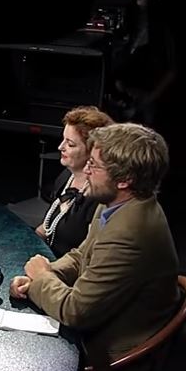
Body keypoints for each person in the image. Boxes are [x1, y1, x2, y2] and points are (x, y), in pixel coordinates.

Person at [11, 123, 179, 368]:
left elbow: (74, 312)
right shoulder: (115, 202)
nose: (86, 171)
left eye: (94, 165)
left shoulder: (129, 235)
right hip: (98, 322)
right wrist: (44, 276)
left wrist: (42, 277)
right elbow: (82, 255)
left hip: (110, 356)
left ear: (124, 180)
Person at [35, 106, 114, 258]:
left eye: (70, 144)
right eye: (63, 140)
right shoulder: (66, 176)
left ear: (93, 151)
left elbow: (87, 257)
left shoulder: (99, 197)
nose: (60, 147)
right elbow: (47, 227)